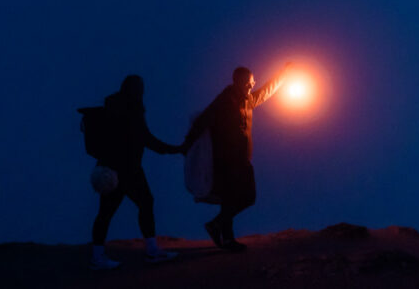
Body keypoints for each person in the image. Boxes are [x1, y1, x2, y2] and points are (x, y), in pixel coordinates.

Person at [182, 62, 291, 252]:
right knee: (248, 197)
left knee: (229, 200)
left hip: (241, 159)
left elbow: (266, 91)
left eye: (253, 81)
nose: (252, 84)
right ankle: (217, 226)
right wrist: (186, 144)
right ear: (239, 82)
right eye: (249, 82)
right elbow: (202, 120)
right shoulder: (225, 101)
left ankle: (228, 239)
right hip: (228, 161)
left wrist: (284, 73)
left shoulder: (248, 100)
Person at [89, 75, 182, 269]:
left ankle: (98, 256)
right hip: (128, 170)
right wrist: (175, 149)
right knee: (145, 203)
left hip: (109, 169)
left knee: (106, 212)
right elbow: (146, 139)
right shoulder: (132, 108)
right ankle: (151, 251)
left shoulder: (112, 106)